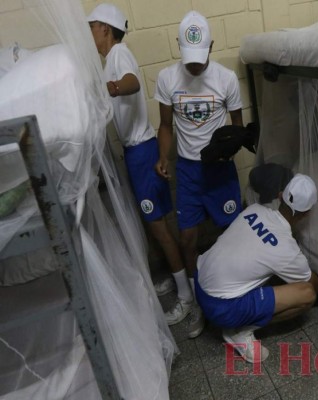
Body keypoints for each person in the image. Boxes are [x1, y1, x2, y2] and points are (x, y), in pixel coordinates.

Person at [87, 4, 204, 339]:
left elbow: (132, 84)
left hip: (141, 152)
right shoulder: (111, 57)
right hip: (140, 150)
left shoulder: (118, 55)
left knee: (158, 229)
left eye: (92, 27)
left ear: (105, 29)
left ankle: (185, 296)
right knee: (159, 226)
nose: (90, 34)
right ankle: (178, 275)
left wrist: (104, 90)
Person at [154, 11, 244, 324]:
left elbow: (237, 126)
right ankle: (197, 301)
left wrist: (229, 149)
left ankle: (235, 290)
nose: (195, 65)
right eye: (189, 57)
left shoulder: (226, 78)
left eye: (201, 57)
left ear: (212, 45)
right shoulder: (167, 78)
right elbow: (165, 125)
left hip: (219, 171)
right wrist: (164, 156)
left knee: (232, 233)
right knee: (188, 238)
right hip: (189, 172)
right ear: (179, 45)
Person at [195, 174, 318, 362]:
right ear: (308, 212)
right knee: (307, 294)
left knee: (264, 267)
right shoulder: (286, 249)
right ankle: (240, 331)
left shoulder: (255, 209)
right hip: (220, 307)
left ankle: (232, 310)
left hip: (200, 277)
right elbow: (314, 285)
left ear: (280, 195)